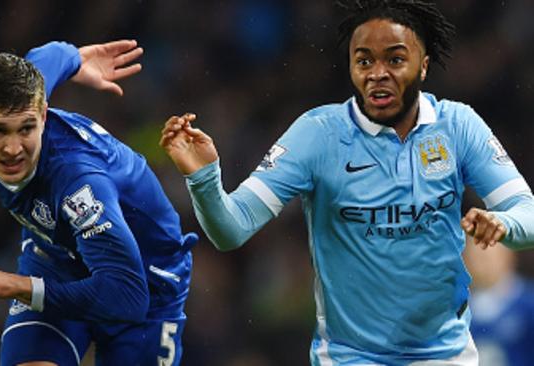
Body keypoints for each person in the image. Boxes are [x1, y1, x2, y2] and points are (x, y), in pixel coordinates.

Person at [160, 0, 534, 365]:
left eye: (395, 59)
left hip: (446, 355)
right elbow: (232, 229)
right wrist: (204, 178)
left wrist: (505, 224)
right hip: (350, 357)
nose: (377, 73)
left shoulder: (457, 126)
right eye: (364, 60)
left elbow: (528, 214)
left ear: (424, 66)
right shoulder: (318, 135)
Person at [0, 39, 197, 366]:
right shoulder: (21, 95)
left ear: (43, 115)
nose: (14, 148)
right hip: (58, 257)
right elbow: (48, 56)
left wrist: (11, 284)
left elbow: (126, 297)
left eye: (27, 129)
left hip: (143, 285)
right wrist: (76, 59)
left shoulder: (78, 184)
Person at [464, 237, 534, 366]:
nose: (482, 264)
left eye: (487, 256)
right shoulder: (451, 312)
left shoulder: (529, 305)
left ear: (509, 255)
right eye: (476, 256)